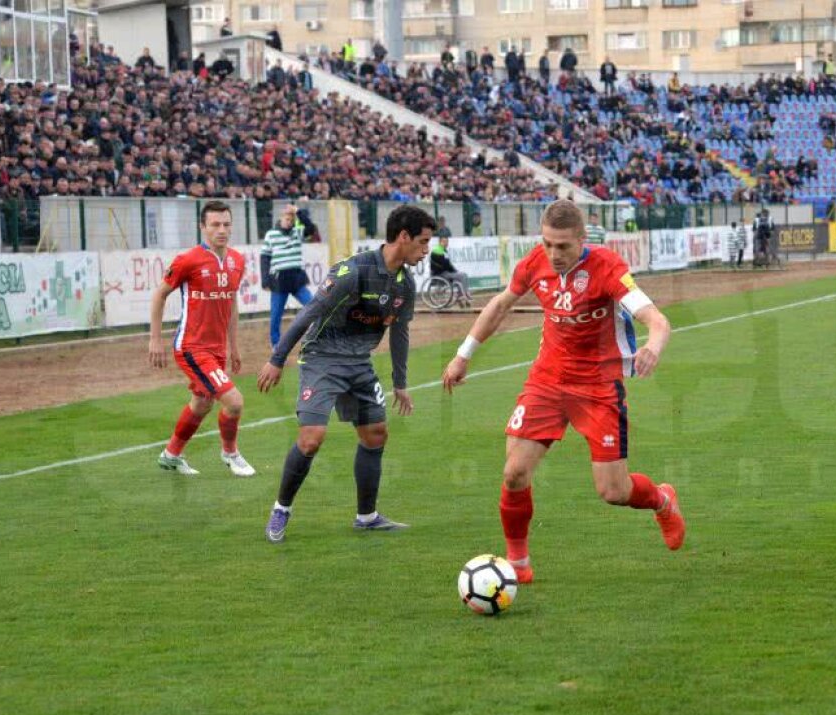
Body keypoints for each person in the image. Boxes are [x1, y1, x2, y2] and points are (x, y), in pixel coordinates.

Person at [441, 200, 685, 585]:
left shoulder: (607, 267)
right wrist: (463, 355)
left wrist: (653, 346)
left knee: (612, 491)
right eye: (548, 243)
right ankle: (518, 565)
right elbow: (501, 303)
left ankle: (661, 500)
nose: (553, 254)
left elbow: (656, 318)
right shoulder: (534, 263)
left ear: (582, 239)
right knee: (515, 472)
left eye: (563, 246)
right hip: (547, 382)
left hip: (598, 387)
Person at [257, 205, 436, 543]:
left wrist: (400, 383)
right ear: (403, 237)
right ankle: (282, 508)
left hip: (359, 364)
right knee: (311, 439)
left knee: (376, 434)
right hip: (322, 358)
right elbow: (311, 312)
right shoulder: (353, 271)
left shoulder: (404, 285)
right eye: (423, 242)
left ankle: (366, 517)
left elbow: (399, 332)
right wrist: (277, 359)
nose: (426, 250)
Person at [148, 201, 254, 477]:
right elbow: (160, 295)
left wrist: (234, 346)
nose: (222, 230)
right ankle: (231, 453)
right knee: (234, 401)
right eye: (215, 225)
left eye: (226, 224)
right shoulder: (188, 260)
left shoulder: (237, 261)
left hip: (217, 348)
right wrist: (155, 339)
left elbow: (230, 304)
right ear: (202, 227)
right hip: (192, 347)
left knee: (202, 403)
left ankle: (171, 454)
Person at [262, 204, 314, 347]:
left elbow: (311, 228)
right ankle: (276, 346)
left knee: (315, 306)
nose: (289, 222)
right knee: (275, 317)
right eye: (287, 219)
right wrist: (265, 280)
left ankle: (318, 338)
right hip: (279, 282)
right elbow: (265, 258)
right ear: (281, 218)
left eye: (291, 220)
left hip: (296, 280)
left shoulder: (297, 232)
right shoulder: (271, 235)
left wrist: (298, 211)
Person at [428, 236, 471, 307]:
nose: (446, 243)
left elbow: (448, 264)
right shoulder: (437, 250)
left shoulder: (444, 251)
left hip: (445, 272)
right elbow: (445, 264)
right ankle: (463, 295)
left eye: (447, 242)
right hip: (440, 273)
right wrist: (453, 271)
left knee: (463, 275)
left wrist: (454, 270)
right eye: (444, 242)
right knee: (462, 276)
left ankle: (463, 294)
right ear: (440, 242)